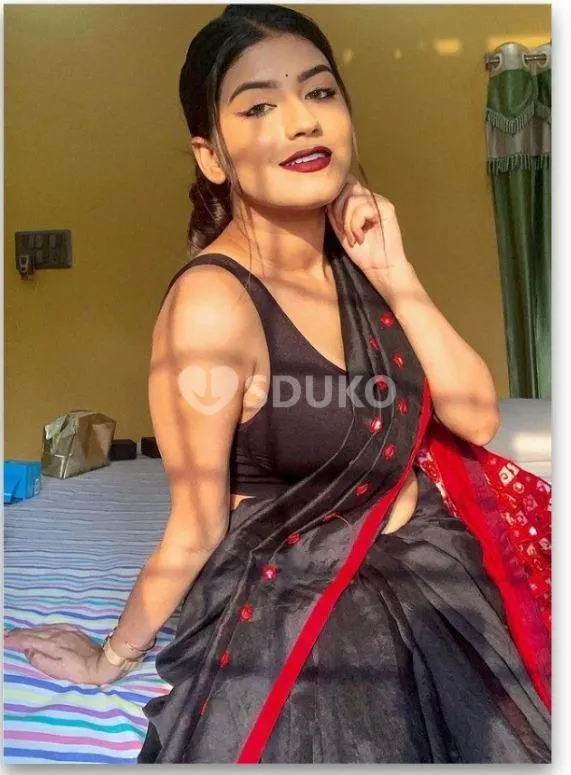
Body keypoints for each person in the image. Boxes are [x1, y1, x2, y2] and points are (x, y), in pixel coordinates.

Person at [4, 4, 551, 763]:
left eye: (319, 92)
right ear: (211, 156)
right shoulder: (213, 305)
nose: (301, 121)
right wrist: (111, 657)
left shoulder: (359, 261)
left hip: (436, 554)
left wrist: (397, 274)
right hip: (310, 592)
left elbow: (476, 417)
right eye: (258, 106)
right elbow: (195, 524)